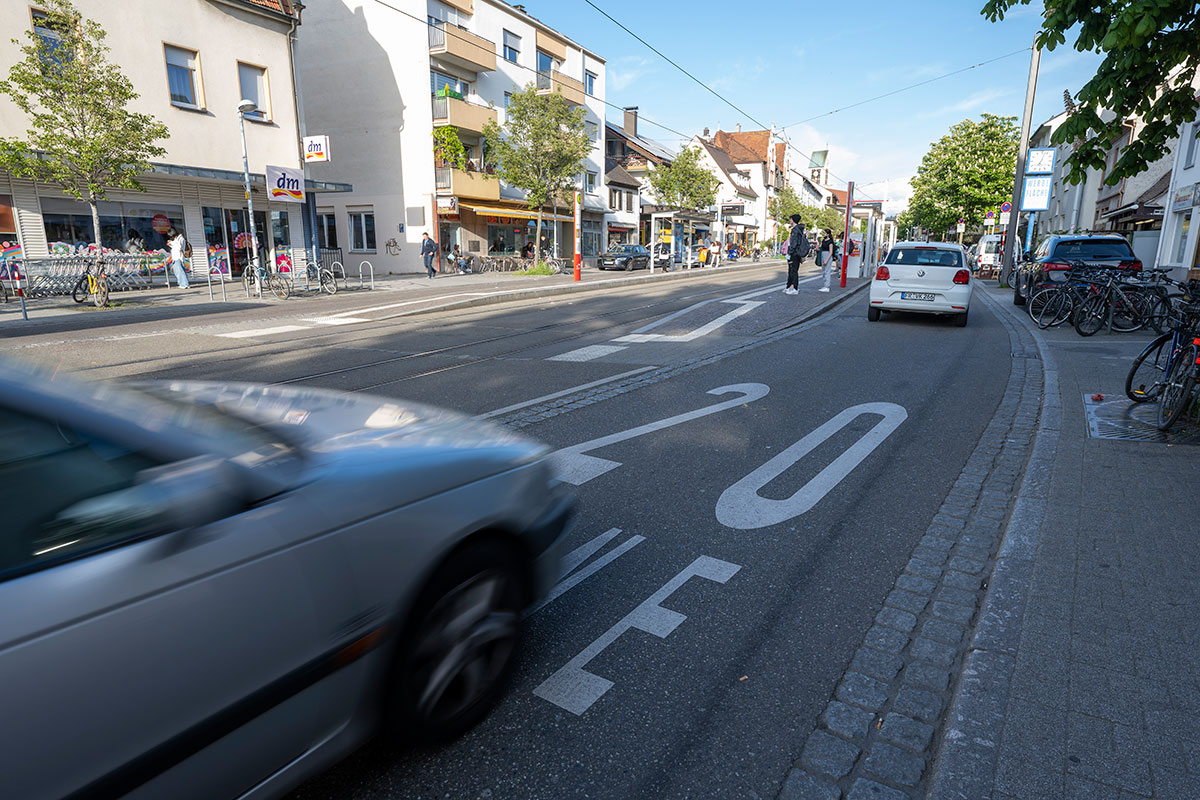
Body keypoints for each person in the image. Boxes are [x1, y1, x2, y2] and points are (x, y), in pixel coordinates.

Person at [784, 215, 809, 295]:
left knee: (793, 270)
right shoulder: (800, 230)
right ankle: (788, 287)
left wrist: (789, 253)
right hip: (797, 253)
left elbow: (793, 243)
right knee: (793, 270)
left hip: (794, 253)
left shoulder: (795, 230)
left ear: (793, 220)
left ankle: (794, 288)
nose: (789, 220)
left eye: (790, 219)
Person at [818, 228, 835, 292]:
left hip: (827, 256)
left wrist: (826, 260)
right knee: (824, 271)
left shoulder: (830, 242)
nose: (823, 234)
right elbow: (821, 248)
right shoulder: (823, 241)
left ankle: (827, 286)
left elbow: (831, 252)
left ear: (828, 234)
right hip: (823, 255)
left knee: (827, 271)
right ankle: (825, 285)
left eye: (824, 233)